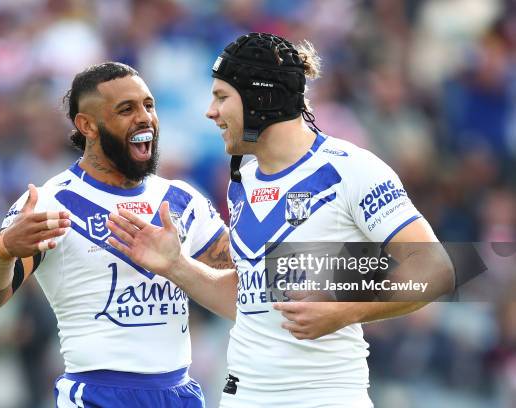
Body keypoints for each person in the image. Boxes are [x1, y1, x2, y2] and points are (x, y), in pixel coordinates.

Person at [106, 33, 455, 407]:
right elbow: (249, 298)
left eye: (222, 97)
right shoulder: (242, 181)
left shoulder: (351, 169)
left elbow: (434, 269)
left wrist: (347, 310)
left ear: (261, 99)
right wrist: (176, 266)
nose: (211, 111)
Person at [0, 62, 234, 408]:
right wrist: (4, 250)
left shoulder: (182, 200)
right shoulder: (51, 202)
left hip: (179, 394)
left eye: (148, 105)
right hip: (97, 394)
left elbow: (245, 294)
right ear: (87, 125)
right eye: (126, 109)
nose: (144, 118)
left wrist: (179, 266)